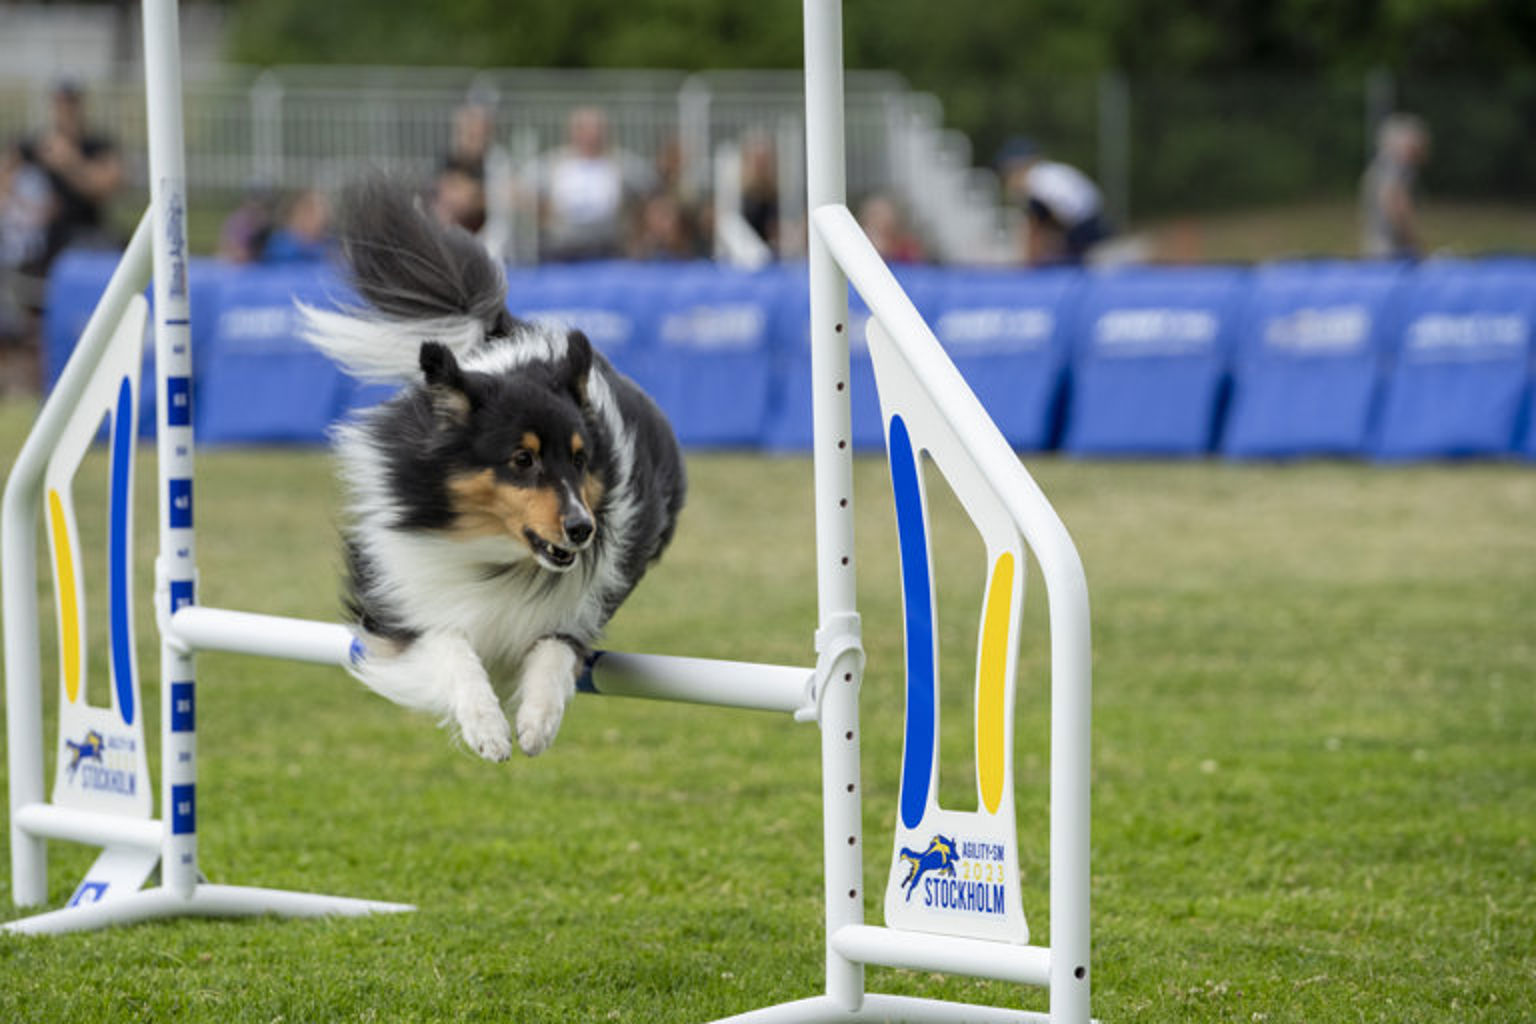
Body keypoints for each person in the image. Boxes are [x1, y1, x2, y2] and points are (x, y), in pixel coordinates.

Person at [533, 106, 654, 262]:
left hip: (610, 247)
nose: (591, 135)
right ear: (573, 132)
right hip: (562, 247)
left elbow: (651, 191)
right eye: (584, 129)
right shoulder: (554, 163)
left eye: (597, 129)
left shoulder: (623, 164)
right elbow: (520, 189)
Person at [997, 136, 1110, 266]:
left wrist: (1027, 263)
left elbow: (1035, 228)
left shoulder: (1035, 180)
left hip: (1083, 228)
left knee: (1055, 258)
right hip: (1094, 222)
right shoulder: (1052, 172)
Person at [1361, 113, 1430, 260]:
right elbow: (1394, 203)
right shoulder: (1396, 168)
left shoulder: (1382, 165)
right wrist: (1411, 241)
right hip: (1389, 247)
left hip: (1380, 243)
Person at [261, 188, 333, 264]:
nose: (311, 219)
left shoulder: (330, 248)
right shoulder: (278, 247)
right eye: (307, 212)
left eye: (316, 214)